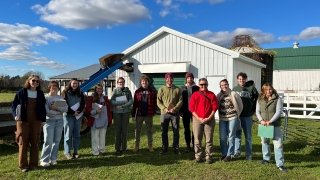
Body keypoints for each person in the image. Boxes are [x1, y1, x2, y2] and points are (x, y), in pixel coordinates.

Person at [12, 74, 46, 172]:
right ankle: (23, 166)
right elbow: (14, 105)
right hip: (23, 121)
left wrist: (43, 120)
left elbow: (43, 108)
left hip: (36, 121)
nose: (35, 82)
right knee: (23, 142)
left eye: (37, 81)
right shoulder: (21, 92)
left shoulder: (40, 94)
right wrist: (15, 115)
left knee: (35, 142)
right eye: (33, 80)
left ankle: (34, 164)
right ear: (29, 81)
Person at [256, 83, 288, 172]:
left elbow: (278, 112)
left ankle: (280, 164)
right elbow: (257, 111)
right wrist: (261, 120)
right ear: (263, 90)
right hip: (263, 125)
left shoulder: (277, 99)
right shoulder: (259, 99)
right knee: (264, 142)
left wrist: (270, 121)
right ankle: (266, 159)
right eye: (266, 90)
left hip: (274, 125)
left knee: (278, 144)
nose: (268, 91)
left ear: (272, 89)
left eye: (270, 89)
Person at [189, 78, 218, 164]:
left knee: (209, 139)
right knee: (197, 139)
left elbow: (214, 108)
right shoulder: (195, 95)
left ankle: (208, 156)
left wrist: (208, 118)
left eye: (205, 84)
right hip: (197, 119)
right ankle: (198, 156)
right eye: (201, 84)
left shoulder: (212, 95)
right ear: (199, 85)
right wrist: (199, 118)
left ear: (207, 84)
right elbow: (192, 108)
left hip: (209, 120)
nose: (203, 86)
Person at [40, 81, 68, 167]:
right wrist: (59, 111)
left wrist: (56, 108)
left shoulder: (60, 98)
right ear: (49, 87)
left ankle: (53, 158)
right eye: (52, 86)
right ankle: (44, 160)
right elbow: (47, 112)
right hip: (49, 121)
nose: (54, 87)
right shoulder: (45, 98)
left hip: (59, 121)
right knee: (48, 141)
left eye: (56, 86)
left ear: (58, 88)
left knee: (56, 141)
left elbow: (66, 109)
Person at [233, 72, 258, 160]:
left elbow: (257, 99)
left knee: (248, 136)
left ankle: (248, 154)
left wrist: (254, 109)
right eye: (240, 79)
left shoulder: (251, 88)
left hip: (247, 116)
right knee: (237, 135)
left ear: (245, 79)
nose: (241, 81)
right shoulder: (235, 89)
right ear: (237, 80)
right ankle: (237, 152)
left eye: (243, 79)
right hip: (238, 116)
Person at [217, 79, 243, 162]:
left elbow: (240, 105)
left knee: (231, 135)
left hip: (233, 118)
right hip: (222, 118)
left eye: (225, 84)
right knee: (223, 137)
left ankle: (229, 154)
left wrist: (237, 114)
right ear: (220, 86)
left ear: (228, 84)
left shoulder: (234, 94)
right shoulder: (219, 95)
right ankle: (224, 154)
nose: (224, 86)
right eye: (222, 85)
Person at [157, 73, 183, 155]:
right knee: (164, 131)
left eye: (171, 78)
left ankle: (176, 148)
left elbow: (181, 100)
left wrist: (174, 109)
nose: (169, 80)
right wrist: (164, 109)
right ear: (165, 79)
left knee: (176, 131)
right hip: (164, 114)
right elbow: (158, 101)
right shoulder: (161, 89)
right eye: (167, 78)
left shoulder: (178, 89)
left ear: (173, 79)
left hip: (175, 114)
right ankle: (164, 148)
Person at [132, 75, 157, 152]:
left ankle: (150, 146)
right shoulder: (137, 91)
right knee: (138, 130)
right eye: (143, 82)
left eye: (146, 81)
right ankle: (137, 146)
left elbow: (155, 103)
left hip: (149, 114)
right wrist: (133, 115)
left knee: (149, 130)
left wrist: (154, 111)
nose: (144, 83)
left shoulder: (152, 91)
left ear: (148, 82)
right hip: (139, 114)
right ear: (141, 82)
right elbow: (135, 104)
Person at [62, 78, 85, 159]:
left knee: (77, 135)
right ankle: (67, 152)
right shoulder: (65, 93)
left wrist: (78, 112)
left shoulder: (80, 93)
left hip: (78, 116)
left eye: (76, 83)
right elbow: (64, 104)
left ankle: (75, 152)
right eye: (73, 83)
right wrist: (72, 112)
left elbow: (82, 103)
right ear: (70, 84)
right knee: (68, 135)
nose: (75, 85)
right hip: (68, 116)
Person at [111, 77, 133, 155]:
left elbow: (131, 101)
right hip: (117, 113)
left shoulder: (128, 91)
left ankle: (124, 148)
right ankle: (117, 148)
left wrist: (123, 106)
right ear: (117, 83)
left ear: (124, 82)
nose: (121, 83)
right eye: (120, 82)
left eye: (122, 82)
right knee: (117, 131)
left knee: (124, 131)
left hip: (125, 113)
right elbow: (112, 101)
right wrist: (120, 103)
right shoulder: (115, 90)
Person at [90, 84, 112, 156]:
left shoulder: (105, 98)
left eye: (101, 89)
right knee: (95, 138)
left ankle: (102, 151)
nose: (99, 90)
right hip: (95, 121)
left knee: (102, 137)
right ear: (95, 89)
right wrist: (96, 111)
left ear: (102, 90)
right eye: (98, 89)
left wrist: (108, 119)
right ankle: (95, 152)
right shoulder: (91, 98)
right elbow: (88, 111)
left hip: (104, 120)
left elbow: (108, 109)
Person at [180, 72, 199, 152]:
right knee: (186, 129)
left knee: (195, 129)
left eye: (191, 77)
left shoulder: (197, 88)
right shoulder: (182, 88)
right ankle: (188, 146)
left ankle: (195, 145)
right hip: (185, 111)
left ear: (193, 78)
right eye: (188, 78)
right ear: (186, 79)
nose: (189, 79)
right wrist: (180, 111)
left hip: (194, 112)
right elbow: (180, 100)